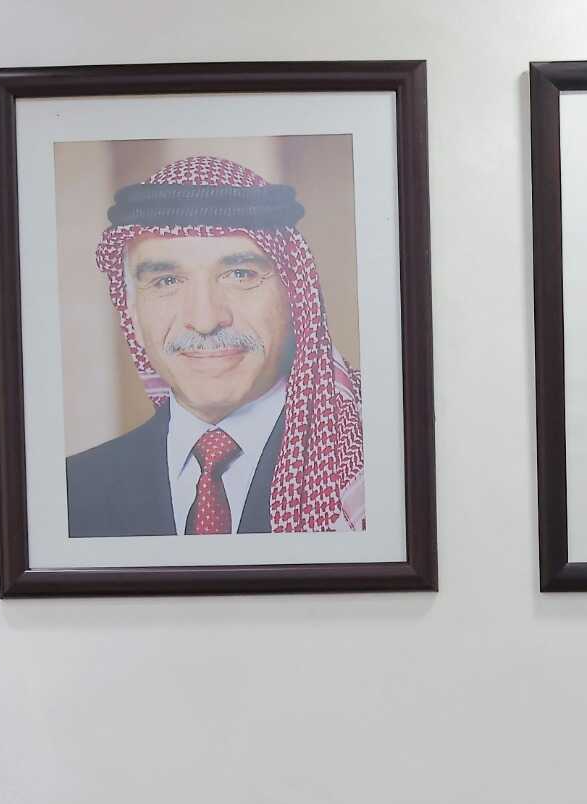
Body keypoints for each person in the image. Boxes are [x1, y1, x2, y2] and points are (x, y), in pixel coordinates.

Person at [64, 155, 365, 537]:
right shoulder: (72, 492)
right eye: (166, 281)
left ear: (295, 298)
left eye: (240, 274)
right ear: (133, 315)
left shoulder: (368, 472)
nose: (205, 320)